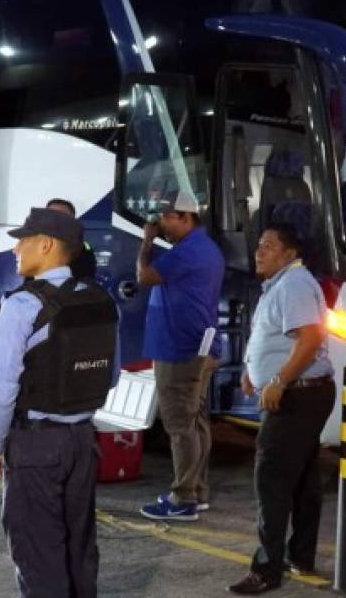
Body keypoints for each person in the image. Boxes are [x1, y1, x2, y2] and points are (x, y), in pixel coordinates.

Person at [0, 207, 119, 597]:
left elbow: (2, 387)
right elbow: (110, 375)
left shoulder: (22, 306)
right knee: (80, 551)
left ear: (46, 245)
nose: (15, 250)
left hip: (35, 445)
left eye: (22, 241)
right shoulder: (100, 300)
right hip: (82, 441)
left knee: (39, 554)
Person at [228, 223, 335, 595]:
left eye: (269, 247)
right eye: (259, 245)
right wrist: (251, 370)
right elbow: (270, 335)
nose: (259, 252)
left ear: (290, 254)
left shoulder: (293, 285)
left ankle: (266, 569)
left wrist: (278, 381)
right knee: (303, 480)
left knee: (271, 481)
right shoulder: (281, 284)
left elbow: (310, 338)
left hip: (297, 396)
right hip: (299, 394)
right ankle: (299, 556)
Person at [137, 189, 224, 521]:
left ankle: (183, 498)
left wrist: (146, 242)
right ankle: (197, 491)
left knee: (179, 424)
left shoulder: (188, 251)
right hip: (196, 346)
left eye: (167, 217)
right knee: (196, 421)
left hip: (180, 348)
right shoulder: (201, 247)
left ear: (186, 217)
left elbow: (144, 276)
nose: (161, 224)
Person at [45, 197, 97, 280]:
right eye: (50, 214)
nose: (55, 219)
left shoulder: (83, 251)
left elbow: (85, 282)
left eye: (61, 215)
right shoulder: (34, 245)